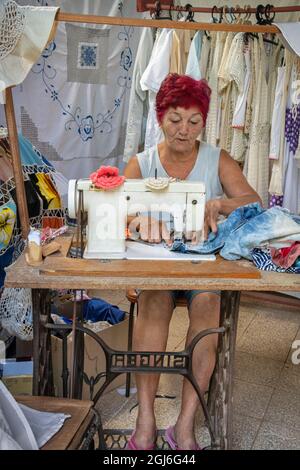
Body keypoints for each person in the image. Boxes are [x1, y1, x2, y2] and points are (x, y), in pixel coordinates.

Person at [124, 73, 261, 450]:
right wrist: (136, 219)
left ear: (204, 121)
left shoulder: (217, 160)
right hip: (157, 264)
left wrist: (221, 204)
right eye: (175, 119)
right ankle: (146, 418)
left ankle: (184, 425)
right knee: (153, 302)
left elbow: (254, 203)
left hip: (202, 264)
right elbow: (113, 209)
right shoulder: (142, 163)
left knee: (208, 306)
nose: (184, 130)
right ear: (159, 118)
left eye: (194, 121)